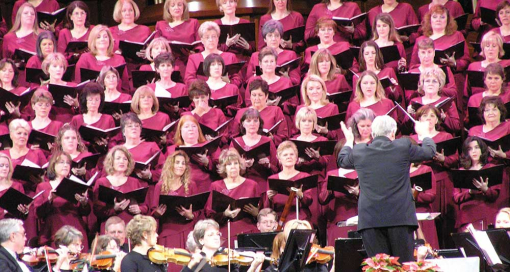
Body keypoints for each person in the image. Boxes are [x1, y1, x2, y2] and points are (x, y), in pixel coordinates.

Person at [338, 115, 436, 262]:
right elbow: (429, 152)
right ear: (392, 133)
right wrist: (425, 134)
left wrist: (349, 140)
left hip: (371, 221)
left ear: (373, 134)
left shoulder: (359, 151)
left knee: (380, 267)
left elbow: (342, 160)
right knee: (403, 265)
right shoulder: (403, 146)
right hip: (400, 219)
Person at [34, 151, 90, 251]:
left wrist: (84, 203)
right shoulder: (43, 186)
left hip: (75, 228)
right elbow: (38, 213)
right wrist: (49, 200)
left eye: (68, 163)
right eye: (61, 162)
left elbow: (85, 212)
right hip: (54, 230)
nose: (65, 165)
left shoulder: (77, 185)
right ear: (53, 165)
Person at [205, 148, 260, 247]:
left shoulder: (252, 185)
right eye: (229, 164)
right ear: (224, 168)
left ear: (240, 165)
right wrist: (224, 214)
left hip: (247, 231)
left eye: (235, 163)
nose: (233, 167)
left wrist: (256, 213)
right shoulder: (216, 186)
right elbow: (209, 214)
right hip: (224, 232)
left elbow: (262, 211)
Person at [93, 146, 149, 232]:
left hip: (130, 230)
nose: (121, 161)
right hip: (110, 229)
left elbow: (145, 207)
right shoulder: (102, 182)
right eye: (118, 158)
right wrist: (114, 209)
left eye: (125, 159)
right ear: (111, 161)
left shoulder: (135, 182)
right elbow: (97, 210)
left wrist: (139, 209)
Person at [151, 151, 198, 250]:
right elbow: (153, 211)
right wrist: (157, 213)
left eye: (183, 163)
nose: (180, 166)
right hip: (167, 231)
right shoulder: (160, 186)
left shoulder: (191, 185)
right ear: (170, 165)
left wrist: (191, 215)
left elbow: (197, 210)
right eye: (177, 162)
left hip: (186, 230)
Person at [453, 137, 502, 231]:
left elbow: (495, 195)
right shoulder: (461, 172)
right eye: (470, 149)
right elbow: (456, 197)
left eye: (476, 147)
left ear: (482, 150)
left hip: (486, 213)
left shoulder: (490, 168)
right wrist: (470, 192)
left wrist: (485, 190)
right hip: (467, 215)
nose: (474, 151)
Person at [182, 219, 265, 272]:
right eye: (211, 235)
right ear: (201, 240)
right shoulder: (197, 260)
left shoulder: (228, 257)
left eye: (218, 234)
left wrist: (254, 265)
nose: (216, 238)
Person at [166, 115, 220, 192]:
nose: (190, 129)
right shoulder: (171, 150)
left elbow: (222, 169)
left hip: (205, 187)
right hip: (182, 189)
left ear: (198, 130)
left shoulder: (210, 145)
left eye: (194, 126)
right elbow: (166, 172)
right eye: (186, 126)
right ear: (180, 131)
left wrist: (207, 163)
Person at [229, 108, 278, 192]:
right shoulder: (236, 142)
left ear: (259, 123)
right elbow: (228, 167)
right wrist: (242, 165)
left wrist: (268, 164)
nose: (252, 124)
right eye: (248, 121)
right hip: (241, 182)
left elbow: (276, 168)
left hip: (262, 182)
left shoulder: (267, 141)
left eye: (255, 121)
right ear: (243, 124)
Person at [265, 141, 313, 223]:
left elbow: (309, 201)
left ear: (296, 158)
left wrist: (301, 195)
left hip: (300, 220)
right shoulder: (272, 179)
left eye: (291, 154)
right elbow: (267, 208)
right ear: (279, 159)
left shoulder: (305, 176)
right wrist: (269, 198)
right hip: (279, 221)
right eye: (285, 155)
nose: (289, 157)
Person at [232, 78, 289, 146]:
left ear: (266, 96)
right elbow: (234, 137)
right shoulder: (241, 112)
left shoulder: (276, 110)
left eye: (260, 95)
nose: (257, 98)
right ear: (250, 96)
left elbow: (283, 136)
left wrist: (272, 138)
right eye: (254, 95)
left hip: (268, 148)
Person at [74, 25, 130, 92]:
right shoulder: (85, 58)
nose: (102, 39)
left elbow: (125, 86)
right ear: (93, 41)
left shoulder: (119, 59)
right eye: (98, 37)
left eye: (105, 37)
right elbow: (78, 84)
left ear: (109, 40)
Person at [184, 21, 241, 87]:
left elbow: (238, 80)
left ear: (218, 39)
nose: (211, 40)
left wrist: (227, 81)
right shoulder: (194, 58)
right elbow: (188, 80)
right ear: (202, 40)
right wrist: (208, 84)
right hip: (202, 94)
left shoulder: (230, 57)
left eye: (213, 36)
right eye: (207, 37)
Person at [407, 67, 461, 134]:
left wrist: (444, 118)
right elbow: (406, 130)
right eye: (427, 81)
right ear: (422, 85)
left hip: (441, 139)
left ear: (440, 85)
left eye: (434, 81)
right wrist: (409, 115)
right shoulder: (414, 102)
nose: (431, 84)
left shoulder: (448, 102)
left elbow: (457, 126)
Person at [246, 20, 301, 86]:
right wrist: (256, 77)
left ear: (280, 38)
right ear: (264, 39)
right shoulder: (255, 56)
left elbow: (297, 81)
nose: (273, 39)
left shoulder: (290, 55)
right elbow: (247, 81)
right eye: (270, 35)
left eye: (277, 35)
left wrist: (287, 78)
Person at [70, 82, 116, 153]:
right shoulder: (76, 119)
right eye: (90, 99)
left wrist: (106, 145)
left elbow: (113, 145)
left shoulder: (108, 119)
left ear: (101, 101)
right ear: (85, 100)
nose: (93, 103)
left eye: (97, 99)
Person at [155, 0, 201, 68]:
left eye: (179, 5)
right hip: (167, 64)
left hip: (189, 61)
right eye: (173, 5)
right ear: (168, 8)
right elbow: (156, 45)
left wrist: (194, 53)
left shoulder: (193, 23)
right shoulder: (160, 25)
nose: (177, 8)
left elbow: (200, 44)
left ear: (184, 7)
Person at [2, 3, 39, 87]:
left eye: (32, 13)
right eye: (26, 13)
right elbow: (5, 61)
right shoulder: (8, 37)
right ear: (19, 16)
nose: (29, 15)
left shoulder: (41, 35)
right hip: (16, 80)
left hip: (36, 80)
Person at [465, 32, 510, 97]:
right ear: (483, 48)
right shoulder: (473, 66)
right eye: (487, 46)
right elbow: (467, 92)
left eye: (494, 46)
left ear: (499, 48)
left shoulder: (507, 65)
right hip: (478, 103)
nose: (490, 49)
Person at [468, 96, 510, 163]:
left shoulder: (508, 127)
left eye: (494, 109)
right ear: (483, 113)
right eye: (487, 110)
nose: (490, 113)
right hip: (482, 166)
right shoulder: (474, 131)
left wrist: (504, 155)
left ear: (501, 112)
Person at [0, 155, 29, 221]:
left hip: (13, 225)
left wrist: (25, 211)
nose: (5, 168)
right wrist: (4, 212)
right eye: (1, 165)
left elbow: (23, 215)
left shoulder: (17, 186)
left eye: (7, 166)